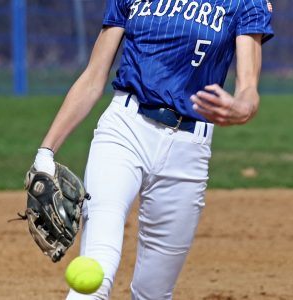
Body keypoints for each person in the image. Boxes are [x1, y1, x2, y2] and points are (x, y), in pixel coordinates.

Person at [32, 0, 273, 298]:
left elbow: (249, 89)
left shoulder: (245, 3)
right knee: (97, 267)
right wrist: (46, 151)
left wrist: (242, 107)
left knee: (153, 293)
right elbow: (94, 78)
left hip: (189, 149)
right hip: (124, 129)